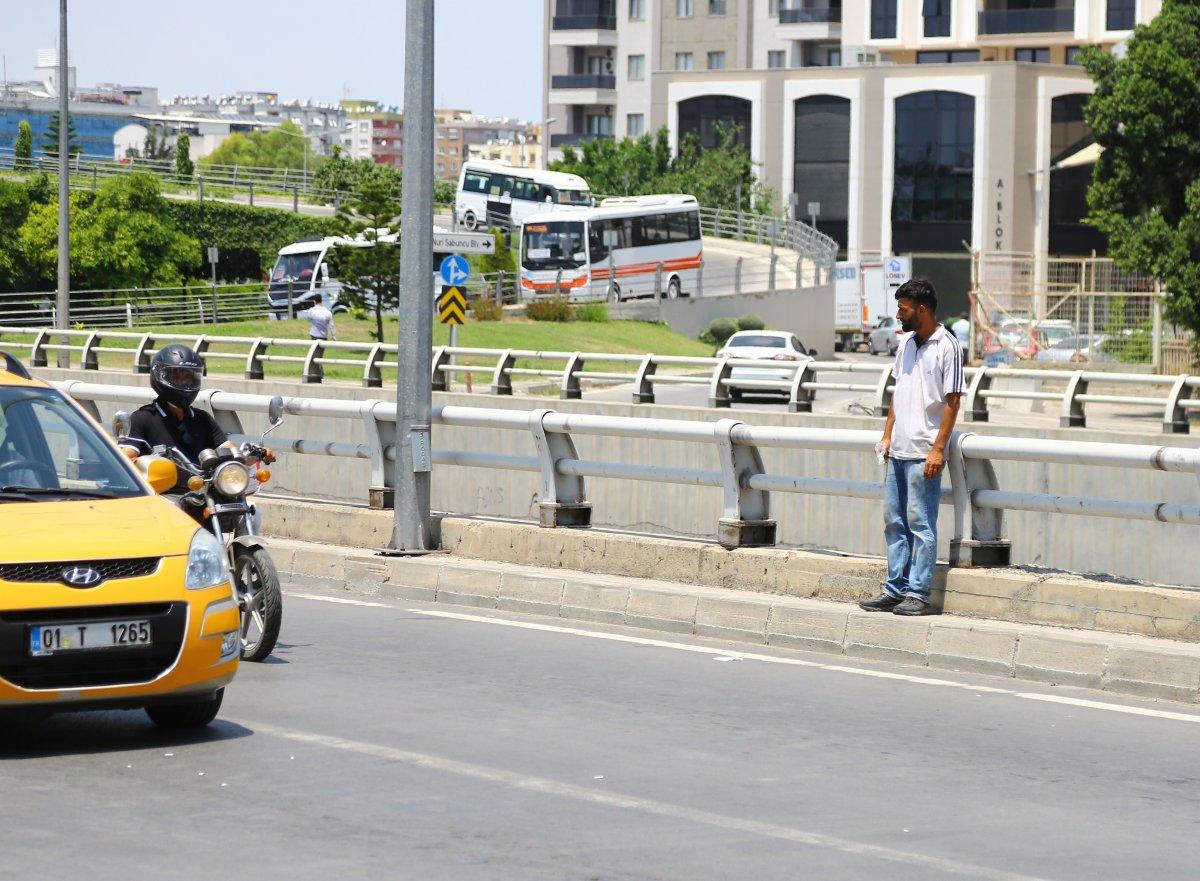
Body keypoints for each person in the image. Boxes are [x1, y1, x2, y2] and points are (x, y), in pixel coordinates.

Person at [860, 278, 964, 616]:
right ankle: (895, 589)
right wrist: (887, 436)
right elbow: (897, 394)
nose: (898, 315)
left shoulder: (947, 346)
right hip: (898, 451)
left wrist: (938, 450)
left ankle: (918, 593)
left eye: (903, 309)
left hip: (924, 453)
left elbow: (952, 402)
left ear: (922, 309)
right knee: (894, 522)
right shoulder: (905, 344)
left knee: (921, 525)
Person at [119, 344, 274, 520]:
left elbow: (228, 449)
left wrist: (254, 454)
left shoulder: (202, 418)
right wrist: (147, 463)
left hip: (204, 491)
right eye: (177, 376)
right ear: (160, 376)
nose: (184, 383)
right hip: (164, 495)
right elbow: (127, 459)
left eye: (189, 377)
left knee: (252, 510)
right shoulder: (142, 418)